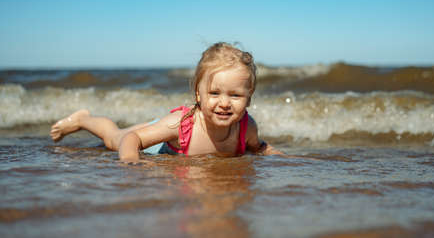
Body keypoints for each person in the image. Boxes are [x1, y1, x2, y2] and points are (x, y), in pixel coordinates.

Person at [50, 42, 284, 162]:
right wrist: (131, 160)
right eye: (214, 93)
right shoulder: (182, 123)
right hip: (160, 135)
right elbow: (134, 139)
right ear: (198, 95)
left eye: (235, 95)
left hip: (162, 129)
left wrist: (281, 158)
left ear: (249, 98)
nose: (224, 103)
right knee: (114, 139)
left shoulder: (247, 126)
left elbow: (258, 147)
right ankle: (83, 118)